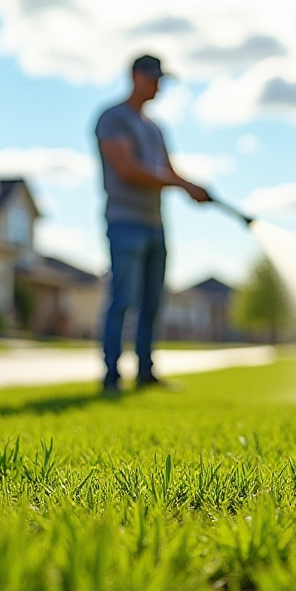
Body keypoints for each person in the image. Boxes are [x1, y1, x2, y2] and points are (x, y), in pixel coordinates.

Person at [93, 55, 211, 393]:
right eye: (153, 78)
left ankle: (145, 373)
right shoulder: (113, 118)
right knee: (123, 299)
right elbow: (127, 169)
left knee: (152, 302)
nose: (158, 86)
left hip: (155, 224)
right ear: (134, 76)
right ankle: (111, 377)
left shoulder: (156, 128)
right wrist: (181, 186)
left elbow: (169, 171)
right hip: (125, 221)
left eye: (161, 80)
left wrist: (191, 186)